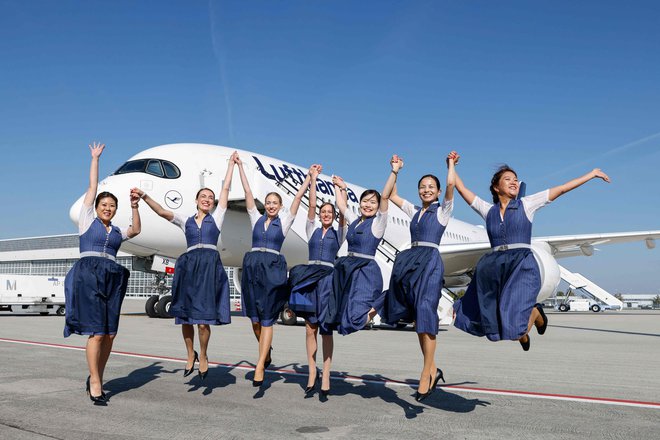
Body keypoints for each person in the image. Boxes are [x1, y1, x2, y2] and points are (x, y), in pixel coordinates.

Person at [452, 154, 610, 350]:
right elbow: (461, 188)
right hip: (494, 266)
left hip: (520, 264)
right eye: (508, 179)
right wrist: (452, 165)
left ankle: (534, 314)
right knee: (483, 319)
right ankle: (525, 325)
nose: (514, 182)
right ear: (496, 187)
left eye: (516, 180)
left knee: (515, 327)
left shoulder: (527, 204)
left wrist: (591, 174)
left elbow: (561, 189)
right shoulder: (487, 210)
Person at [131, 152, 238, 379]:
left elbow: (226, 191)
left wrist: (230, 166)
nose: (208, 199)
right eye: (204, 196)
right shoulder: (185, 219)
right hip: (189, 266)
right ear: (197, 200)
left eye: (210, 197)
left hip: (209, 267)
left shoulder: (217, 217)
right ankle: (190, 354)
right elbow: (161, 211)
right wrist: (144, 196)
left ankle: (205, 355)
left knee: (203, 320)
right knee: (186, 317)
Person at [64, 142, 141, 404]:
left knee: (110, 333)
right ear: (96, 207)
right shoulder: (87, 220)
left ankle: (99, 374)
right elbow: (92, 187)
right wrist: (95, 159)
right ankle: (95, 382)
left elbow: (136, 230)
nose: (108, 208)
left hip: (112, 276)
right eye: (104, 205)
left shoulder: (116, 231)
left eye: (112, 206)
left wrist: (134, 206)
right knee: (97, 332)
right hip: (89, 275)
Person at [381, 153, 456, 401]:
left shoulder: (443, 211)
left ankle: (426, 373)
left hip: (431, 261)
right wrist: (395, 171)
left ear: (436, 191)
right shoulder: (414, 210)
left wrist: (450, 166)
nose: (426, 190)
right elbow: (390, 195)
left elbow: (451, 187)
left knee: (426, 311)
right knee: (417, 322)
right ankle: (433, 369)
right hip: (412, 260)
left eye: (430, 187)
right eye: (422, 187)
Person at [235, 154, 308, 387]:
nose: (271, 206)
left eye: (275, 203)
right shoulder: (255, 217)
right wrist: (239, 168)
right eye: (268, 203)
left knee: (267, 319)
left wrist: (309, 179)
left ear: (280, 206)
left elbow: (297, 198)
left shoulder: (285, 221)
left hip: (273, 268)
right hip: (253, 267)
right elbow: (248, 193)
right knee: (254, 320)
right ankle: (266, 353)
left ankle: (259, 365)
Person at [286, 165, 346, 396]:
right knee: (310, 328)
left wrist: (338, 189)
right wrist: (313, 179)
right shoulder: (311, 229)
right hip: (311, 279)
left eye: (329, 212)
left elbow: (342, 212)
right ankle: (312, 371)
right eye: (323, 212)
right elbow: (311, 205)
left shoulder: (339, 233)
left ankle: (327, 373)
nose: (326, 214)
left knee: (326, 330)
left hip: (328, 281)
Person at [325, 166, 392, 341]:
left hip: (366, 272)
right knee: (342, 317)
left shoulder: (378, 224)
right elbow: (340, 205)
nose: (368, 205)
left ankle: (383, 301)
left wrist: (394, 172)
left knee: (356, 318)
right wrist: (339, 187)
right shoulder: (354, 220)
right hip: (348, 270)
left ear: (378, 207)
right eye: (365, 201)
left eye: (372, 202)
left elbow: (385, 197)